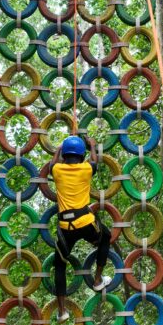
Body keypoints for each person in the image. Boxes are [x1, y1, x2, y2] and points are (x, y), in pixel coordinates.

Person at [48, 135, 113, 315]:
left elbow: (51, 165)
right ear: (81, 155)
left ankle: (62, 312)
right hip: (85, 222)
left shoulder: (58, 170)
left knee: (60, 265)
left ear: (64, 155)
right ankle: (98, 280)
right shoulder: (86, 169)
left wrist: (58, 149)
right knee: (105, 236)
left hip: (65, 227)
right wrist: (92, 145)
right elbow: (95, 161)